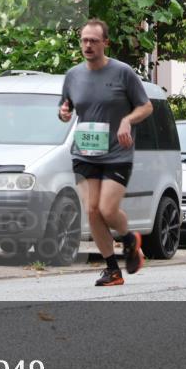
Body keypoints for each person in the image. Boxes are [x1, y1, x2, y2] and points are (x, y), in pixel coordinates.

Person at [58, 20, 153, 286]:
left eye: (94, 41)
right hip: (84, 152)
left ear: (105, 43)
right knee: (91, 211)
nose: (88, 45)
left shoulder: (123, 73)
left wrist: (127, 120)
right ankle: (112, 269)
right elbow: (64, 108)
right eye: (84, 40)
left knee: (107, 209)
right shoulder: (73, 75)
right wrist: (63, 113)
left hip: (117, 153)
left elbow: (146, 107)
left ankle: (129, 239)